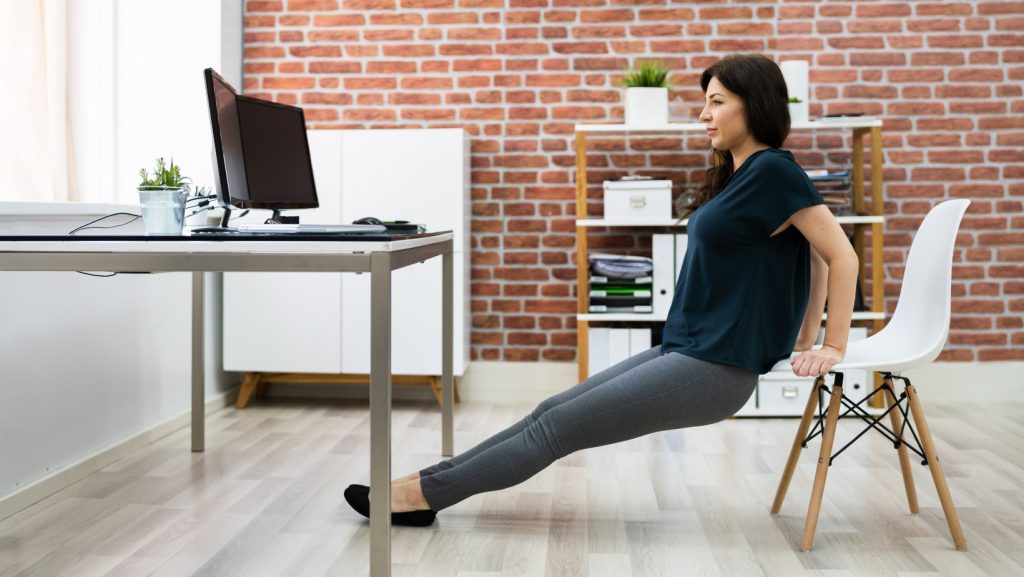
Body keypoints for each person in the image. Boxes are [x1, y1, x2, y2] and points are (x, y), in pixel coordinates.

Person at [344, 53, 859, 527]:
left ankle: (419, 498)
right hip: (686, 349)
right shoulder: (739, 175)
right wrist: (801, 331)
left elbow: (839, 254)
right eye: (704, 102)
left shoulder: (773, 171)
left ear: (757, 105)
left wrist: (829, 344)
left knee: (557, 430)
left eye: (717, 102)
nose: (704, 114)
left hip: (716, 368)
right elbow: (810, 255)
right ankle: (420, 486)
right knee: (548, 413)